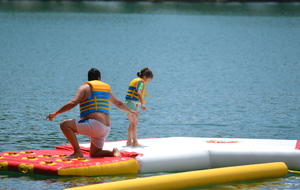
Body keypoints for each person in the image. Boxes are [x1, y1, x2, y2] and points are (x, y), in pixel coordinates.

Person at [46, 68, 138, 158]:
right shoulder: (106, 89)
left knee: (64, 125)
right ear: (99, 78)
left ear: (88, 79)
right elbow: (118, 103)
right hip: (106, 128)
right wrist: (130, 111)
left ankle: (78, 152)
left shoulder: (84, 88)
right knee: (94, 153)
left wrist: (56, 113)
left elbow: (73, 103)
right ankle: (112, 152)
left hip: (95, 125)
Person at [125, 67, 153, 147]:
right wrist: (142, 103)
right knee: (134, 123)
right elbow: (139, 92)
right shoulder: (141, 82)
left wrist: (137, 104)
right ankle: (135, 142)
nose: (147, 82)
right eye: (148, 80)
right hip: (131, 104)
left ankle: (129, 142)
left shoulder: (136, 81)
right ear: (145, 77)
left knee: (132, 123)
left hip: (128, 103)